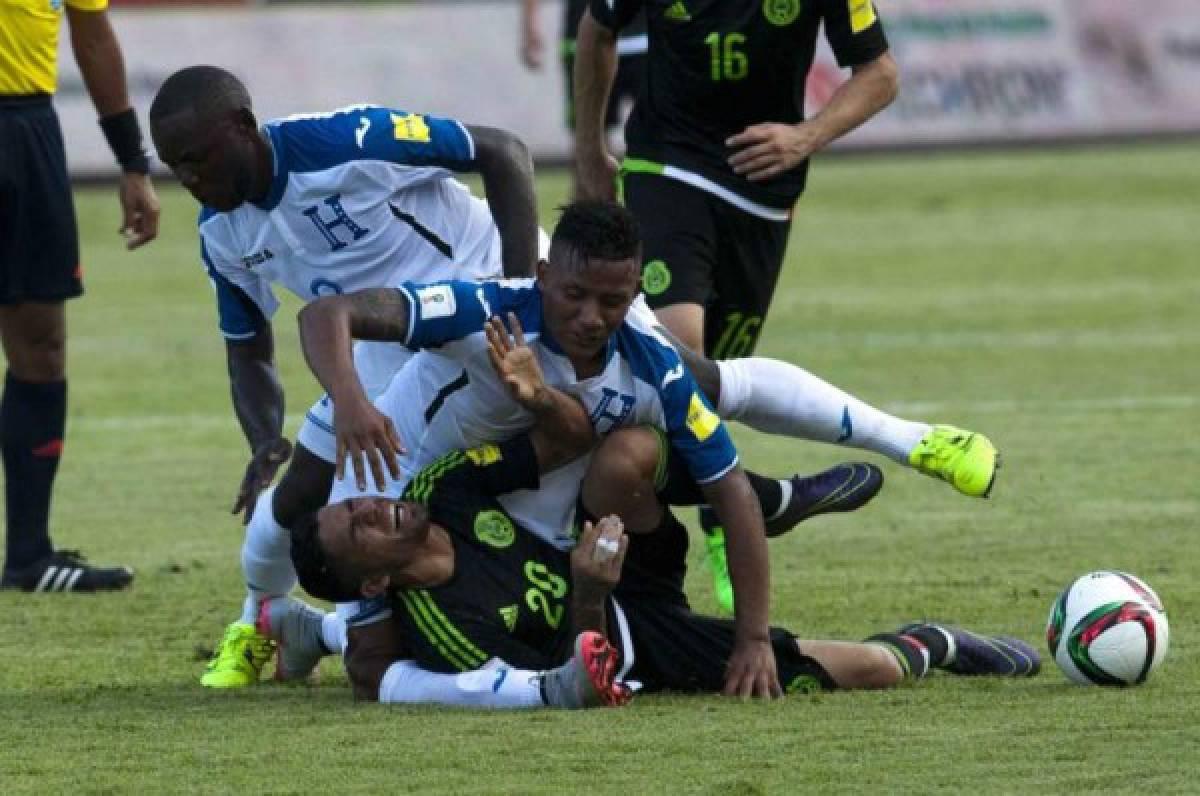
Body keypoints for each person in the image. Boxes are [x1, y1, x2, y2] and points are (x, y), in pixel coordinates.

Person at [298, 200, 881, 698]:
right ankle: (304, 626)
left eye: (613, 301)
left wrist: (753, 638)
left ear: (636, 292)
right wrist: (350, 402)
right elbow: (329, 312)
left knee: (630, 452)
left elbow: (719, 487)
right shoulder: (484, 310)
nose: (591, 318)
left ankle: (786, 496)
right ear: (544, 274)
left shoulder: (655, 365)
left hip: (564, 527)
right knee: (378, 660)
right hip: (430, 490)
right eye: (574, 295)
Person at [571, 1, 994, 610]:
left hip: (764, 195)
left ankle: (723, 516)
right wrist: (589, 147)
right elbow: (597, 26)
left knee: (716, 388)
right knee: (677, 360)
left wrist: (805, 136)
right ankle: (761, 500)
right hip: (667, 167)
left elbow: (881, 74)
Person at [148, 64, 540, 686]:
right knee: (307, 502)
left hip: (485, 295)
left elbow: (502, 151)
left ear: (244, 128)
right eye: (175, 167)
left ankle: (357, 650)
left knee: (590, 434)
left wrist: (520, 298)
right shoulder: (221, 233)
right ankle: (261, 625)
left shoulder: (344, 142)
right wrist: (263, 438)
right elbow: (248, 347)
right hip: (382, 343)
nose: (189, 179)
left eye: (197, 158)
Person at [286, 420, 1040, 706]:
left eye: (357, 501)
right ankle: (934, 642)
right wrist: (586, 592)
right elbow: (579, 678)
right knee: (869, 670)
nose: (372, 506)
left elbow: (564, 439)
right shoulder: (447, 633)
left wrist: (537, 394)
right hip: (632, 638)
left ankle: (743, 502)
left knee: (626, 452)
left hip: (614, 564)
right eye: (358, 527)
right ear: (374, 581)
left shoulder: (437, 487)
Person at [0, 0, 160, 592]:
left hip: (24, 131)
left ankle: (29, 557)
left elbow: (93, 37)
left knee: (41, 346)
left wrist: (132, 164)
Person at [519, 0, 646, 198]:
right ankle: (588, 221)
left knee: (658, 133)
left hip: (645, 36)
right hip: (584, 33)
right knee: (588, 142)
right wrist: (530, 24)